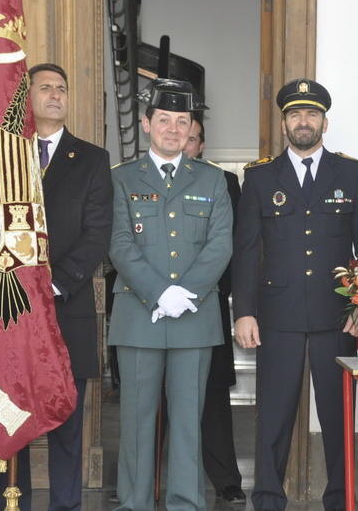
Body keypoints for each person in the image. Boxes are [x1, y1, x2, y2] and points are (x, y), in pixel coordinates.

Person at [232, 78, 358, 511]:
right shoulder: (259, 177)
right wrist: (245, 312)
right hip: (277, 316)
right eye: (295, 114)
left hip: (338, 316)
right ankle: (268, 498)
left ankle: (339, 498)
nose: (303, 121)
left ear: (324, 122)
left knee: (337, 417)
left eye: (311, 113)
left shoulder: (351, 173)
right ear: (284, 124)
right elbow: (246, 250)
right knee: (274, 416)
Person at [0, 63, 113, 511]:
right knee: (10, 424)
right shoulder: (1, 155)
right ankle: (11, 504)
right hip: (10, 312)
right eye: (45, 88)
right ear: (28, 98)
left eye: (62, 88)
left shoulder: (92, 158)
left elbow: (98, 234)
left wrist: (55, 284)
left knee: (66, 424)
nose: (56, 94)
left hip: (67, 310)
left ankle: (66, 506)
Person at [108, 78, 232, 511]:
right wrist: (161, 293)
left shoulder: (213, 180)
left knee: (187, 424)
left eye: (183, 121)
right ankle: (134, 504)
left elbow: (221, 245)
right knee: (136, 423)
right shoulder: (122, 179)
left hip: (194, 319)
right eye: (164, 120)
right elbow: (120, 244)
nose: (174, 129)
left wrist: (186, 294)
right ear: (146, 124)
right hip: (140, 316)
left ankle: (186, 503)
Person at [183, 118, 246, 504]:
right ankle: (159, 477)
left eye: (192, 139)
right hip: (155, 306)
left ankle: (226, 479)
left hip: (208, 303)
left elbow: (233, 245)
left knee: (213, 399)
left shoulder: (224, 182)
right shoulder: (137, 178)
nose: (184, 144)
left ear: (202, 146)